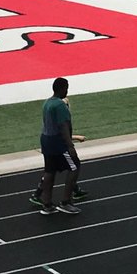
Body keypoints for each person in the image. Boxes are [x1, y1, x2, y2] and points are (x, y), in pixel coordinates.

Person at [31, 77, 85, 215]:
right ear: (61, 89)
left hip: (46, 140)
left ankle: (47, 203)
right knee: (74, 166)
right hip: (58, 143)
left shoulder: (47, 103)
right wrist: (70, 145)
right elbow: (63, 127)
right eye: (66, 88)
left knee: (50, 171)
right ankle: (66, 202)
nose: (67, 91)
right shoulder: (60, 106)